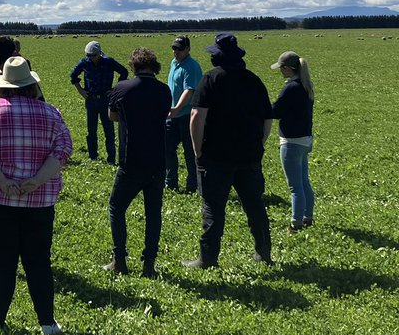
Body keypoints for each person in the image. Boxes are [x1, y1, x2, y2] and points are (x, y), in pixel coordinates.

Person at [0, 56, 71, 335]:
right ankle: (48, 324)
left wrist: (3, 182)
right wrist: (35, 181)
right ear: (31, 84)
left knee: (2, 262)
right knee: (38, 261)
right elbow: (62, 152)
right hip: (39, 201)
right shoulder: (51, 113)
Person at [184, 33, 274, 270]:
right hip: (250, 155)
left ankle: (208, 258)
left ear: (217, 58)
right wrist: (260, 144)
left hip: (216, 156)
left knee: (213, 208)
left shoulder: (211, 79)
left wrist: (197, 149)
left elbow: (196, 116)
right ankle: (263, 252)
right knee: (255, 205)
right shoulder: (254, 80)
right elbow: (267, 119)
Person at [105, 48, 172, 278]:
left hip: (131, 160)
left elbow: (112, 116)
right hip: (158, 161)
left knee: (116, 207)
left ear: (132, 66)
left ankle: (119, 260)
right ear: (154, 67)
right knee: (153, 212)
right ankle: (149, 264)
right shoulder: (164, 90)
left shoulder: (122, 88)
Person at [270, 51, 316, 233]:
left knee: (295, 186)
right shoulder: (306, 86)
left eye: (281, 68)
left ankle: (295, 224)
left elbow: (276, 111)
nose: (280, 71)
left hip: (291, 141)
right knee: (304, 182)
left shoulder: (291, 88)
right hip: (305, 140)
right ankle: (308, 217)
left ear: (288, 69)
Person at [70, 40, 128, 164]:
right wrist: (80, 90)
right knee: (91, 131)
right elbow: (73, 75)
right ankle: (93, 157)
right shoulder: (84, 63)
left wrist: (115, 90)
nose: (91, 58)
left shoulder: (109, 62)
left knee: (109, 131)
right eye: (88, 56)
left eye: (93, 56)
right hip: (91, 100)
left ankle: (111, 159)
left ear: (99, 53)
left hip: (106, 100)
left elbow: (124, 72)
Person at [165, 35, 203, 193]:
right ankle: (170, 182)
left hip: (186, 116)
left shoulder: (192, 66)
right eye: (174, 48)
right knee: (167, 149)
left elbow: (190, 90)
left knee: (190, 152)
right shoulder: (174, 63)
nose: (176, 52)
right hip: (172, 115)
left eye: (179, 49)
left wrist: (176, 109)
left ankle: (193, 186)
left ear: (188, 49)